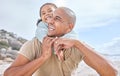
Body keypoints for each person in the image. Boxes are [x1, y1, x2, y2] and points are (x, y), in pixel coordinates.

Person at [4, 7, 117, 76]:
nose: (50, 21)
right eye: (50, 17)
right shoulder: (34, 44)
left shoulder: (77, 45)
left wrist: (78, 44)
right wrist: (43, 57)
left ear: (69, 27)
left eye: (57, 19)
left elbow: (112, 73)